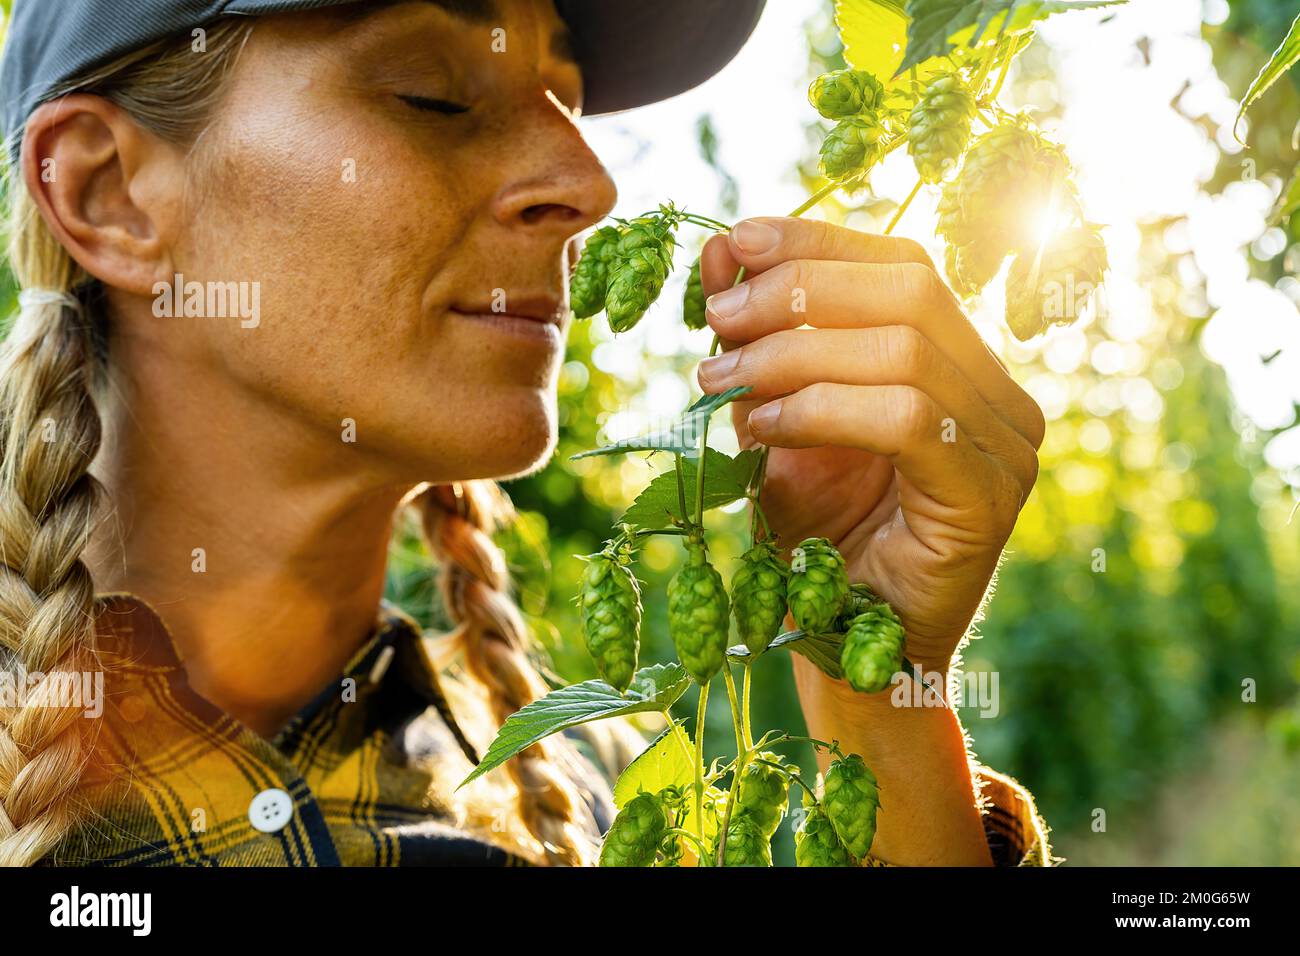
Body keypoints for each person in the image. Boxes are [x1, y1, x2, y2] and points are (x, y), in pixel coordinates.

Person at [0, 0, 1050, 867]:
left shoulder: (599, 803)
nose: (590, 186)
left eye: (571, 101)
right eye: (434, 94)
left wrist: (878, 694)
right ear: (109, 192)